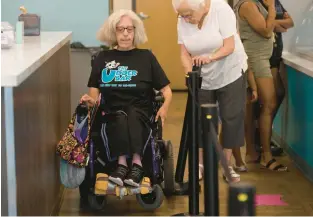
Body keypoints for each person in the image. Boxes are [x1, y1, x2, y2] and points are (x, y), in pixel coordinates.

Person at [80, 9, 172, 187]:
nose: (125, 34)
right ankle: (122, 165)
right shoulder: (103, 58)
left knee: (131, 112)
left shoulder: (146, 57)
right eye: (120, 29)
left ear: (136, 31)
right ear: (112, 32)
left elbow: (167, 91)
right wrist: (89, 101)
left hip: (141, 111)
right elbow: (94, 93)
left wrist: (165, 107)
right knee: (120, 114)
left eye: (129, 29)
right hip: (112, 112)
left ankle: (136, 164)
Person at [172, 0, 248, 182]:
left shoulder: (221, 9)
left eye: (188, 15)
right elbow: (184, 53)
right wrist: (189, 72)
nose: (185, 19)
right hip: (203, 75)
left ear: (201, 6)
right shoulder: (183, 18)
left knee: (231, 117)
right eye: (181, 15)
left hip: (230, 70)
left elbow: (229, 46)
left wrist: (210, 57)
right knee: (201, 120)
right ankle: (199, 164)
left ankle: (226, 165)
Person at [235, 0, 288, 171]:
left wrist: (272, 20)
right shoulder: (248, 5)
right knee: (269, 103)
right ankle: (266, 156)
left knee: (258, 105)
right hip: (256, 59)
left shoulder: (255, 4)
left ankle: (255, 153)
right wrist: (272, 8)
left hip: (261, 58)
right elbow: (266, 31)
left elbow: (279, 27)